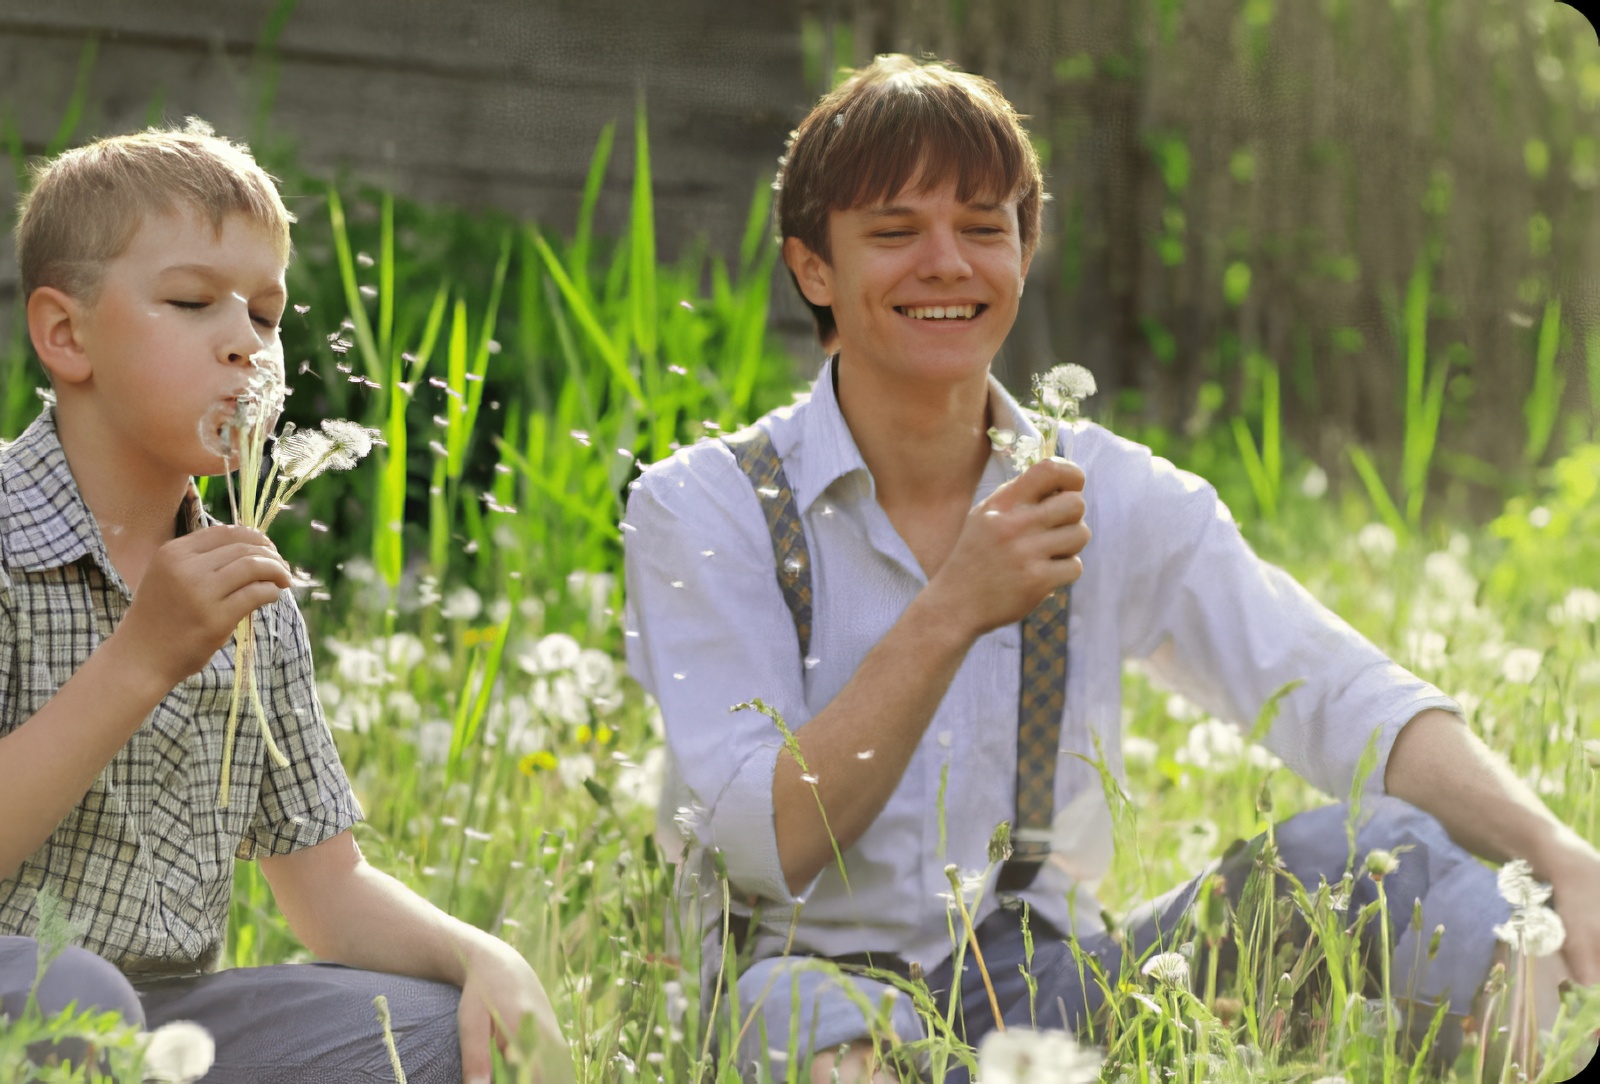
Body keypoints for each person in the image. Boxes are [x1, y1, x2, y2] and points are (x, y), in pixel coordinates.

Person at [622, 55, 1596, 1083]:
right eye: (896, 232)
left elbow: (1342, 697)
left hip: (1053, 996)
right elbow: (757, 843)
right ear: (814, 267)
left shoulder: (1112, 491)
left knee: (1385, 861)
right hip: (808, 987)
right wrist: (954, 605)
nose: (947, 263)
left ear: (1025, 250)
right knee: (795, 1020)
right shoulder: (706, 505)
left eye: (984, 228)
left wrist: (1554, 852)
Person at [0, 118, 564, 1084]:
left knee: (441, 1027)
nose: (245, 342)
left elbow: (327, 891)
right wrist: (142, 660)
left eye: (267, 316)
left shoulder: (242, 580)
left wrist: (487, 959)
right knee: (79, 1000)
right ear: (65, 334)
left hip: (156, 1018)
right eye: (192, 301)